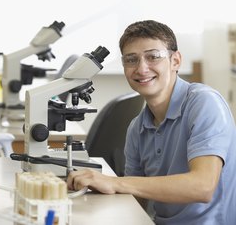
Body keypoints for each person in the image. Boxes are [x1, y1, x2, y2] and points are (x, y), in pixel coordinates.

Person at [67, 20, 236, 224]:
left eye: (153, 57)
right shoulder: (137, 128)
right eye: (131, 60)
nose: (141, 68)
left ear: (175, 61)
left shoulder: (204, 103)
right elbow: (136, 201)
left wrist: (115, 183)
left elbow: (203, 186)